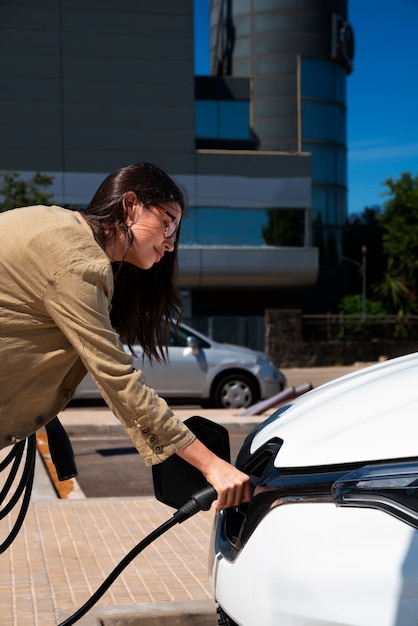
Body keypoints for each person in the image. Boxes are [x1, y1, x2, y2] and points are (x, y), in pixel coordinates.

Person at [0, 162, 251, 512]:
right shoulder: (78, 262)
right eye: (168, 221)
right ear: (130, 205)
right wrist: (212, 466)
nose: (171, 242)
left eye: (176, 230)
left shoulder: (55, 223)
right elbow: (118, 379)